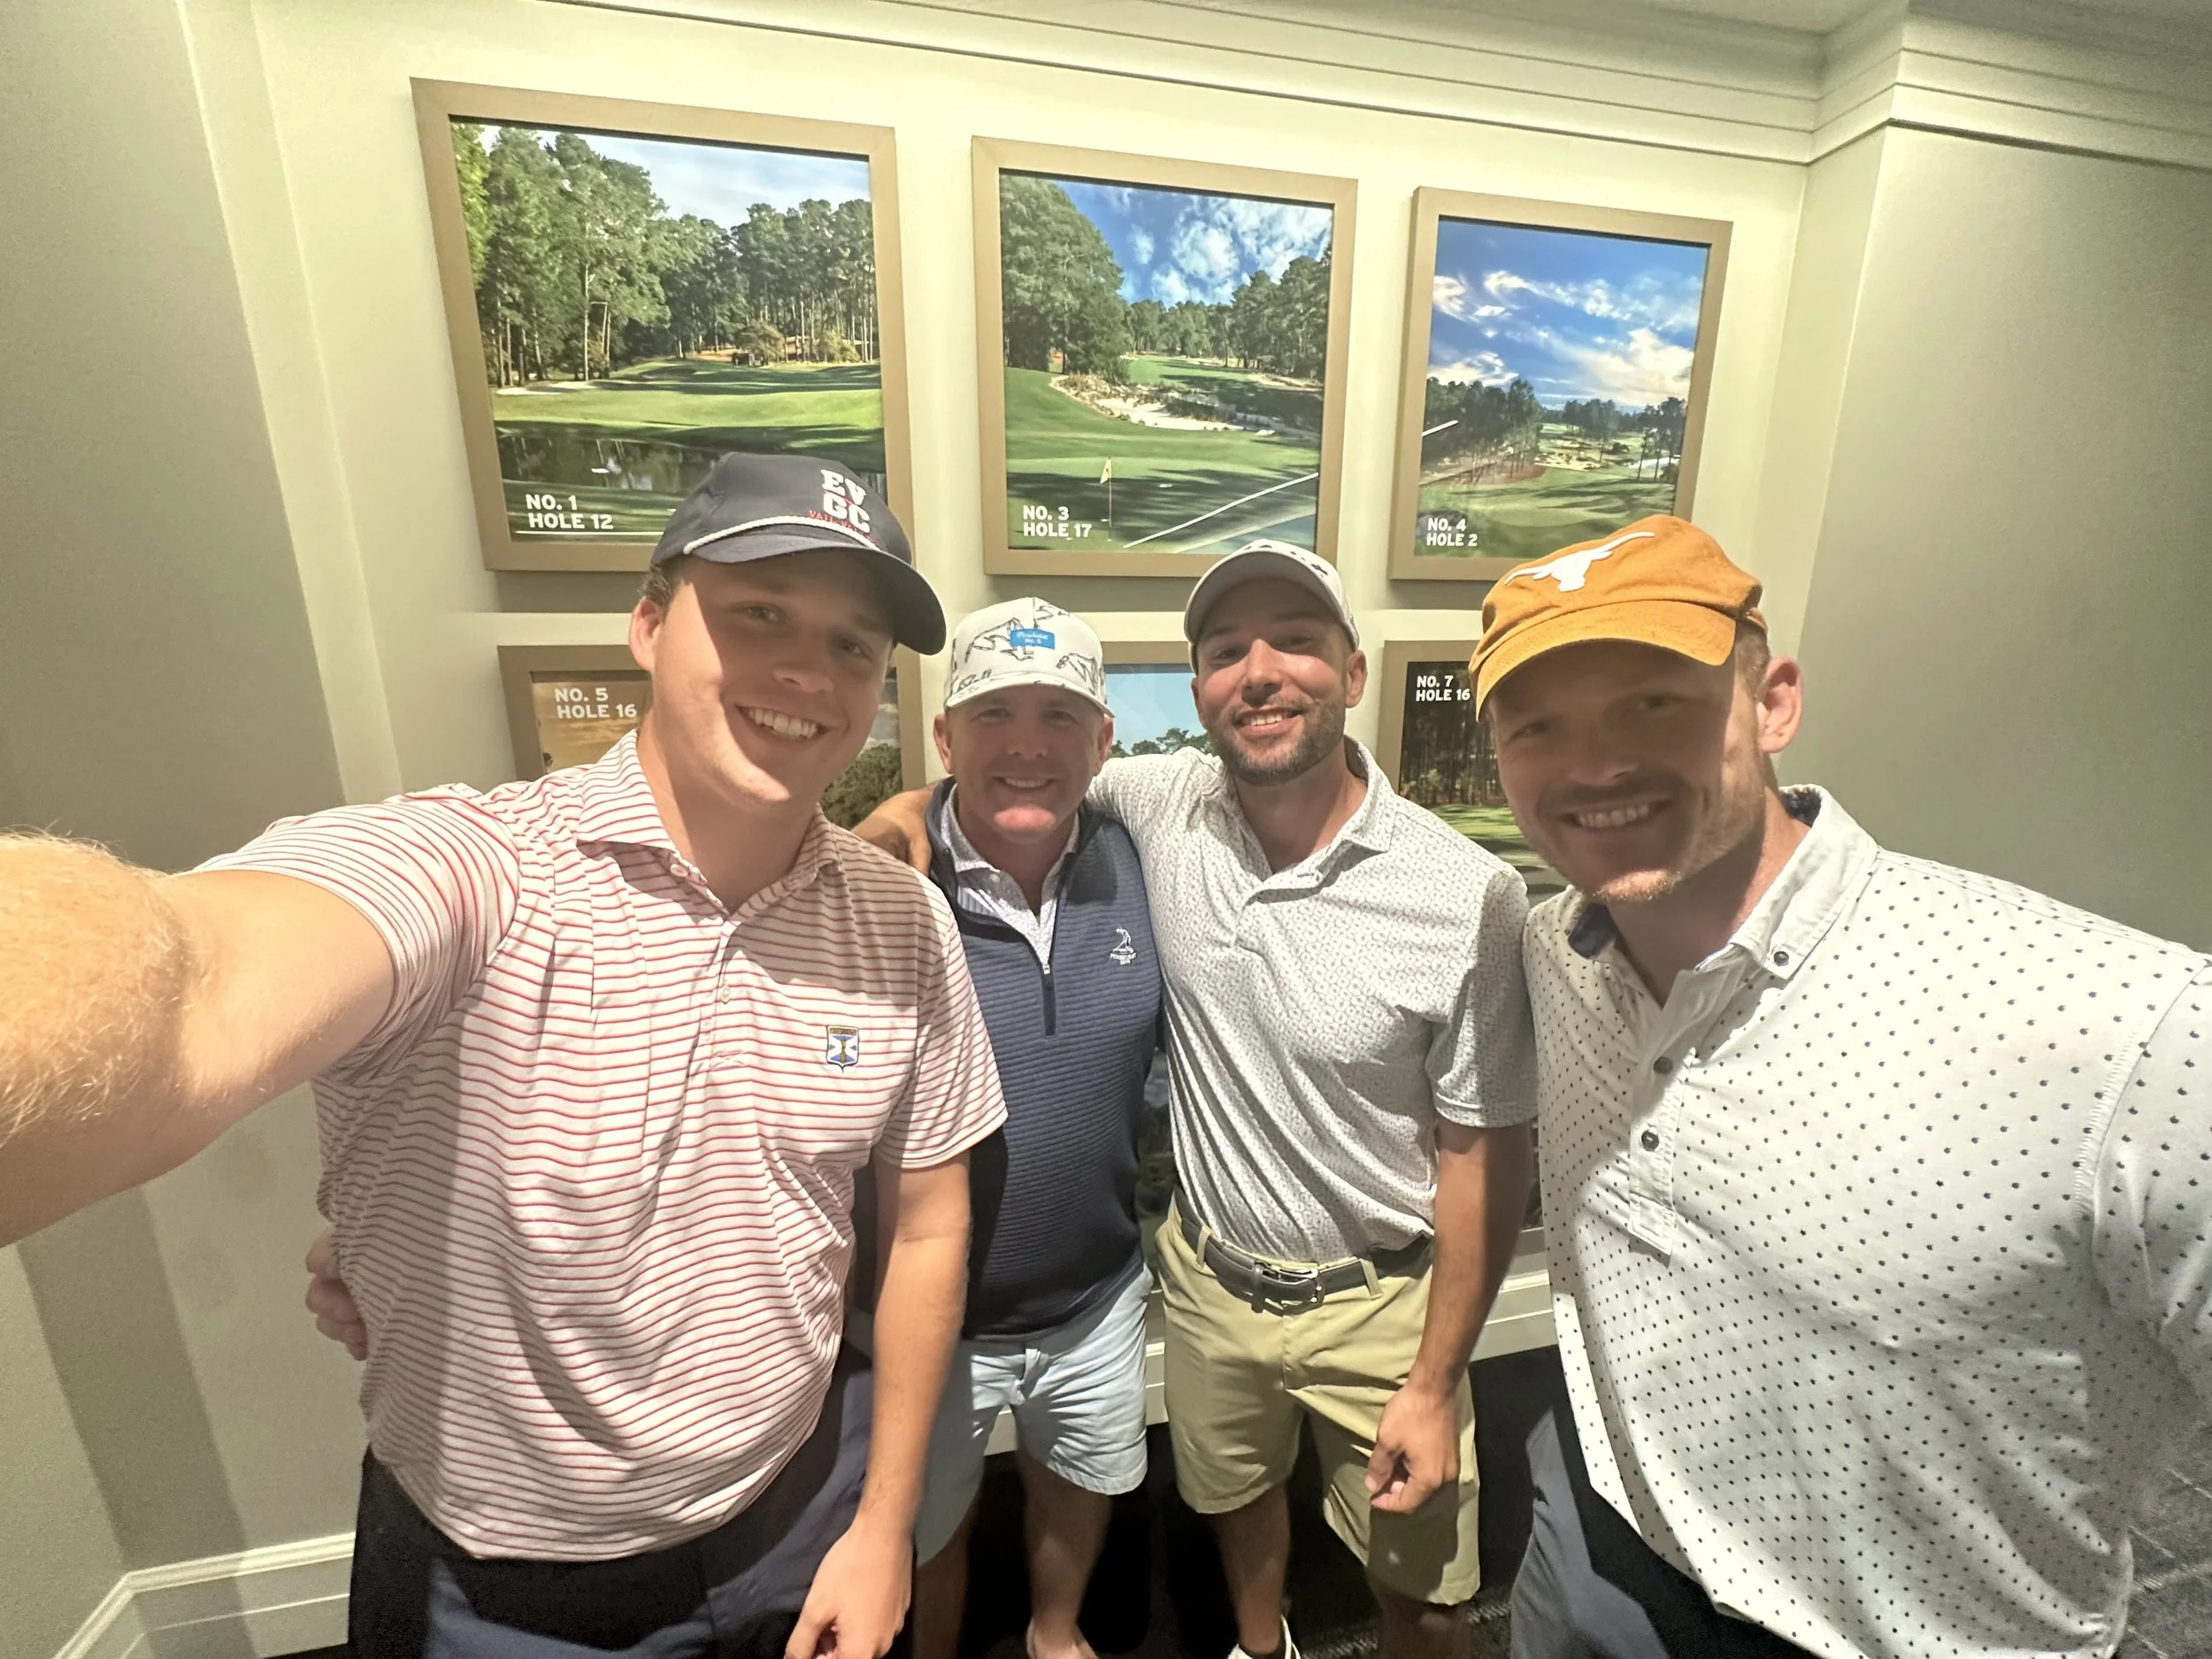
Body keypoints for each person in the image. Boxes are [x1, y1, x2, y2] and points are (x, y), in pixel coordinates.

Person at [0, 453, 1009, 1659]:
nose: (809, 671)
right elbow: (190, 986)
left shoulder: (901, 924)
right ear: (647, 621)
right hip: (498, 1590)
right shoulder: (475, 871)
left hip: (798, 1514)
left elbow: (931, 1222)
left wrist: (886, 1520)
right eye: (759, 613)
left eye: (855, 645)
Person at [315, 595, 1167, 1659]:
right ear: (944, 741)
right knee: (930, 1533)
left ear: (1104, 741)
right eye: (995, 714)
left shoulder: (1138, 862)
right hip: (906, 1335)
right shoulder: (887, 884)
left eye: (1059, 716)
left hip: (1082, 1305)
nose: (1029, 744)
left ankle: (1051, 1632)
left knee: (1068, 1495)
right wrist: (407, 1235)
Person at [1470, 515, 2212, 1659]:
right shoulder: (1546, 948)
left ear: (1772, 701)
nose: (1593, 762)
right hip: (1590, 1539)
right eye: (1537, 726)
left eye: (1651, 701)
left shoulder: (2140, 1027)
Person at [864, 541, 1538, 1659]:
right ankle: (1257, 1647)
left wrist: (1437, 1375)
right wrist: (886, 833)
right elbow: (967, 789)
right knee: (1232, 1506)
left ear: (1355, 673)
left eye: (1298, 643)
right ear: (1195, 694)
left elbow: (1483, 1154)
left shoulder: (1468, 894)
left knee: (1425, 1598)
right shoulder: (1160, 804)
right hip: (1210, 1283)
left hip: (1383, 1299)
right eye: (1228, 651)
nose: (1260, 673)